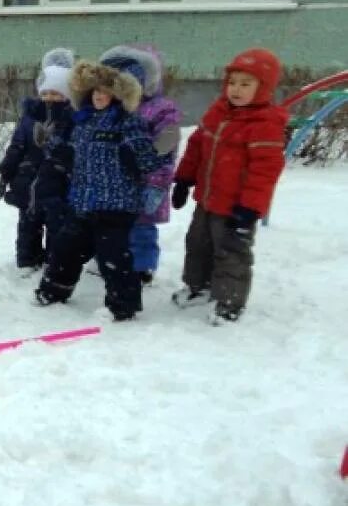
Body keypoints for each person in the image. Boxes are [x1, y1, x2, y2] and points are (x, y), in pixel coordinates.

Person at [34, 60, 169, 321]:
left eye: (105, 92)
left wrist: (144, 155)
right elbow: (69, 150)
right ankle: (54, 291)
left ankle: (123, 305)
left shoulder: (127, 124)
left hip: (116, 205)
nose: (99, 96)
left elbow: (148, 157)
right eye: (95, 91)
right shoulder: (82, 121)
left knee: (113, 257)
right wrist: (50, 145)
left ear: (117, 96)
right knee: (66, 248)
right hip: (83, 202)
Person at [170, 49, 287, 325]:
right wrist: (184, 180)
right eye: (233, 82)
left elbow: (265, 171)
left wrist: (250, 208)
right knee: (198, 244)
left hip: (236, 207)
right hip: (207, 200)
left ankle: (229, 302)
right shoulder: (218, 112)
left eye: (246, 84)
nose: (236, 90)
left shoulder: (265, 124)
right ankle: (198, 286)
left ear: (264, 88)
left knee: (231, 252)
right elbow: (197, 145)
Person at [98, 44, 181, 285]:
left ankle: (143, 266)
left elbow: (167, 144)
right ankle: (111, 260)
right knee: (112, 225)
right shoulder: (110, 108)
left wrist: (156, 181)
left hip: (146, 182)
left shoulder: (159, 109)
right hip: (113, 182)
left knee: (141, 227)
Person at [0, 47, 75, 273]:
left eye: (57, 93)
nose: (50, 98)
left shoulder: (71, 118)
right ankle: (27, 260)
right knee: (28, 223)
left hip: (57, 182)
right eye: (46, 93)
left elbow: (74, 149)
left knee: (56, 225)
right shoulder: (30, 116)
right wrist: (7, 170)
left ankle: (53, 260)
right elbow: (18, 144)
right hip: (28, 180)